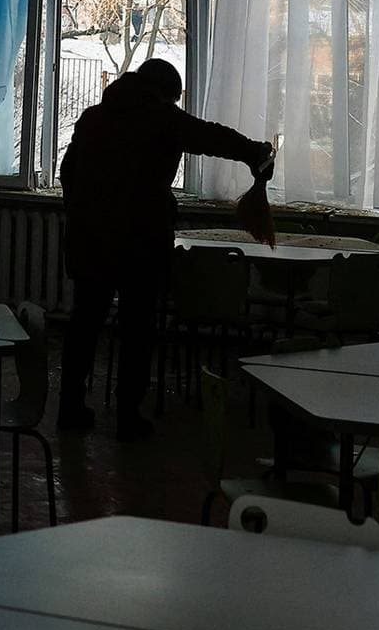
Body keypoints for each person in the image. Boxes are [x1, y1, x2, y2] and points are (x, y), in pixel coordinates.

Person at [57, 58, 272, 440]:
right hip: (139, 245)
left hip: (88, 240)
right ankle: (128, 417)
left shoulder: (93, 118)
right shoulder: (162, 119)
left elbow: (67, 172)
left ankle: (69, 407)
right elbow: (211, 137)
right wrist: (254, 152)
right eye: (174, 98)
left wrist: (82, 212)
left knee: (85, 323)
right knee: (137, 330)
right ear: (165, 93)